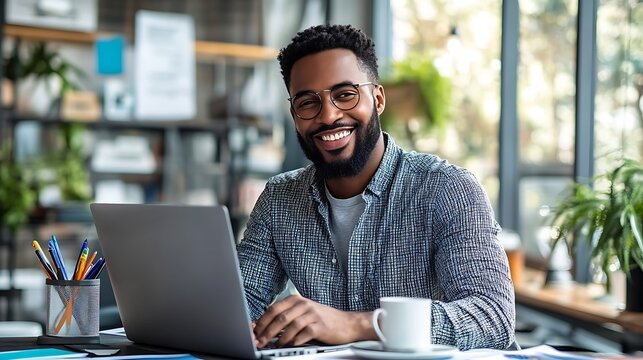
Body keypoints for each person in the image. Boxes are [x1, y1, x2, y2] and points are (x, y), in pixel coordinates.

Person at [237, 24, 515, 351]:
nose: (328, 116)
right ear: (294, 114)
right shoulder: (279, 199)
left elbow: (492, 317)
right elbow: (242, 300)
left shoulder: (446, 188)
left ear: (378, 99)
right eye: (308, 102)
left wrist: (358, 324)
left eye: (345, 94)